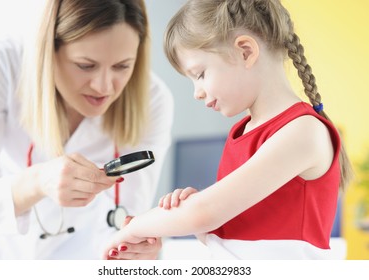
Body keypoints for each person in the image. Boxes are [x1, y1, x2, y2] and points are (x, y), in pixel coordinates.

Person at [103, 0, 353, 260]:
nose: (197, 93)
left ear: (245, 51)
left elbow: (206, 212)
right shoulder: (241, 134)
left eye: (199, 74)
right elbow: (227, 236)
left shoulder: (304, 132)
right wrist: (200, 223)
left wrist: (135, 228)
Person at [0, 0, 173, 259]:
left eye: (122, 66)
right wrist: (37, 182)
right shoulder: (3, 65)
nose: (104, 87)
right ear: (50, 48)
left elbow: (126, 214)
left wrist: (135, 248)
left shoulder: (153, 99)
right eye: (85, 65)